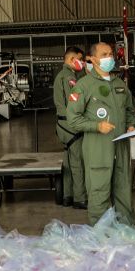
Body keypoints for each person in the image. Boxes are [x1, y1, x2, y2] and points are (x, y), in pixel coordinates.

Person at [66, 42, 135, 226]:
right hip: (98, 149)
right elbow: (72, 118)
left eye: (111, 54)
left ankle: (128, 234)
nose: (109, 58)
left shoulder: (119, 84)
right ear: (93, 59)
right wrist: (96, 126)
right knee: (99, 193)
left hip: (120, 147)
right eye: (104, 54)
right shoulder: (84, 86)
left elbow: (129, 109)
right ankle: (101, 237)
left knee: (123, 191)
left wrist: (131, 125)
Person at [54, 46, 87, 209]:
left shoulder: (61, 75)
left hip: (61, 125)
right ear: (71, 59)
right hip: (70, 125)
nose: (81, 63)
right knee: (77, 162)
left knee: (67, 161)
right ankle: (80, 198)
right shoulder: (69, 77)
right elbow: (74, 101)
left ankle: (67, 195)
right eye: (80, 59)